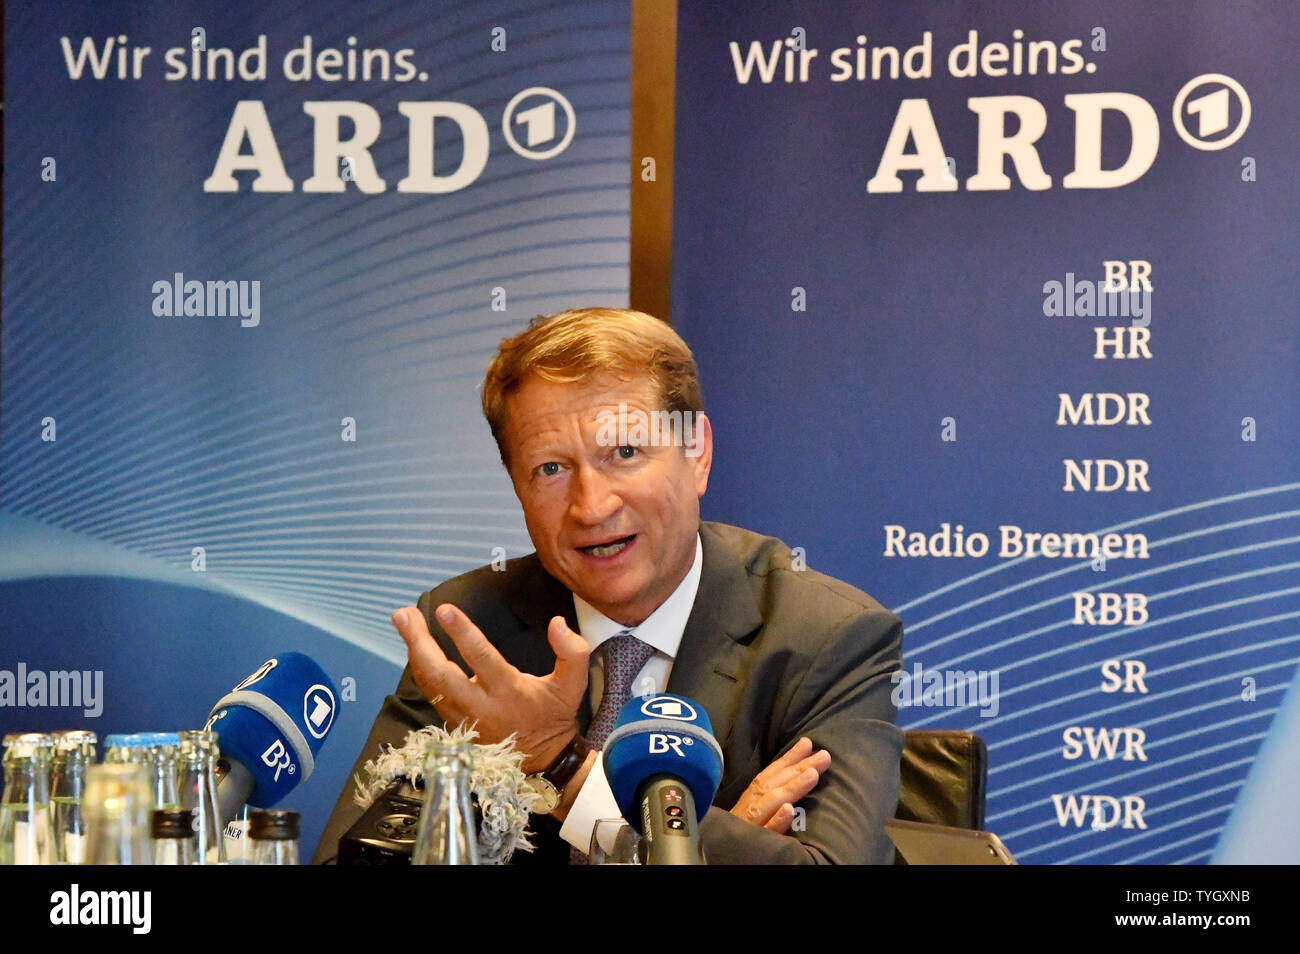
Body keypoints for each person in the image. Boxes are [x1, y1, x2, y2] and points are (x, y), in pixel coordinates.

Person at [313, 308, 904, 864]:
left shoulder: (825, 637)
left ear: (696, 453)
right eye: (550, 468)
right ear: (516, 485)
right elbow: (363, 857)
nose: (592, 507)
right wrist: (695, 842)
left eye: (624, 452)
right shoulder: (470, 629)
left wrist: (562, 765)